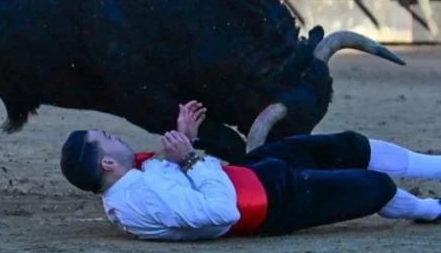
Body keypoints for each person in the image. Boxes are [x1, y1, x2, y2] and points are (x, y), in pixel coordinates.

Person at [60, 101, 441, 240]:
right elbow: (221, 211)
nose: (117, 137)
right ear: (107, 163)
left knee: (348, 145)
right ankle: (430, 210)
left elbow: (181, 188)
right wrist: (189, 158)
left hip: (247, 173)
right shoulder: (137, 201)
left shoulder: (132, 185)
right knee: (374, 186)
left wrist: (186, 142)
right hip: (273, 203)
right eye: (108, 138)